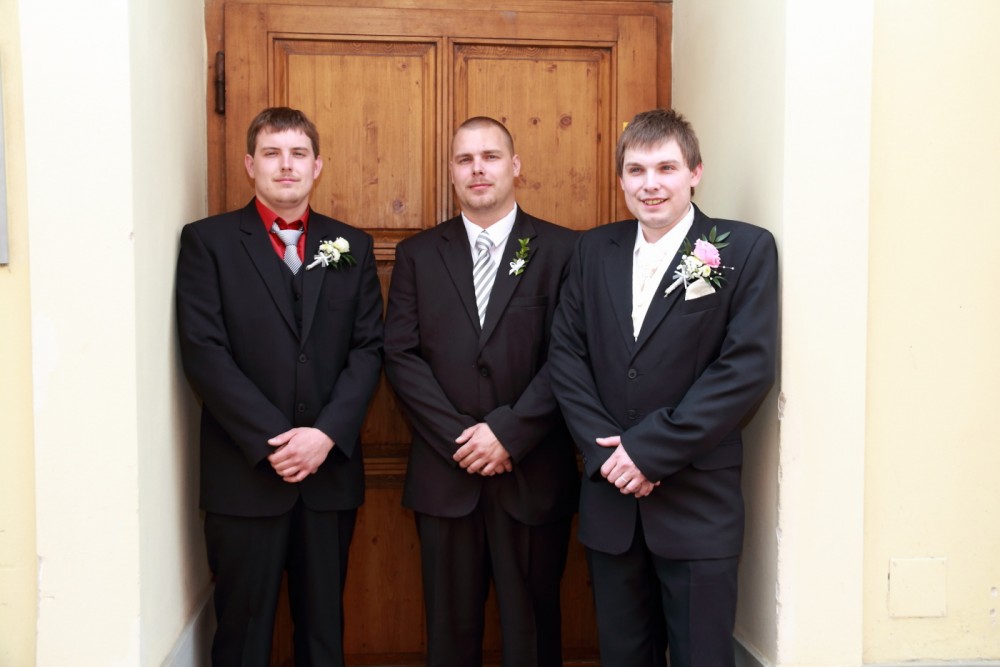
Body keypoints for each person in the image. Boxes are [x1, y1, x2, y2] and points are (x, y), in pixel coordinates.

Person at [548, 108, 778, 667]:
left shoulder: (744, 249)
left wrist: (648, 453)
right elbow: (566, 356)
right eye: (637, 170)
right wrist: (610, 457)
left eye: (666, 168)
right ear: (621, 179)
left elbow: (744, 369)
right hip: (611, 503)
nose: (650, 184)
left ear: (695, 172)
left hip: (697, 507)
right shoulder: (591, 250)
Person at [175, 107, 384, 666]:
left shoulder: (353, 245)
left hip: (328, 476)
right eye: (272, 153)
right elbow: (204, 353)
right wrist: (277, 441)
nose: (285, 165)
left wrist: (323, 436)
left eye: (298, 154)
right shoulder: (208, 243)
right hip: (244, 477)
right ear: (250, 165)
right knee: (242, 638)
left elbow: (368, 350)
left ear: (317, 166)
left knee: (323, 636)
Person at [384, 116, 579, 667]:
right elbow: (400, 355)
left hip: (532, 474)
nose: (478, 169)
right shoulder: (418, 255)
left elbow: (569, 356)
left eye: (490, 156)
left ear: (515, 166)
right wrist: (463, 438)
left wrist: (508, 433)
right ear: (451, 172)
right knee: (449, 636)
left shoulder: (564, 250)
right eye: (465, 159)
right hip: (445, 475)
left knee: (533, 635)